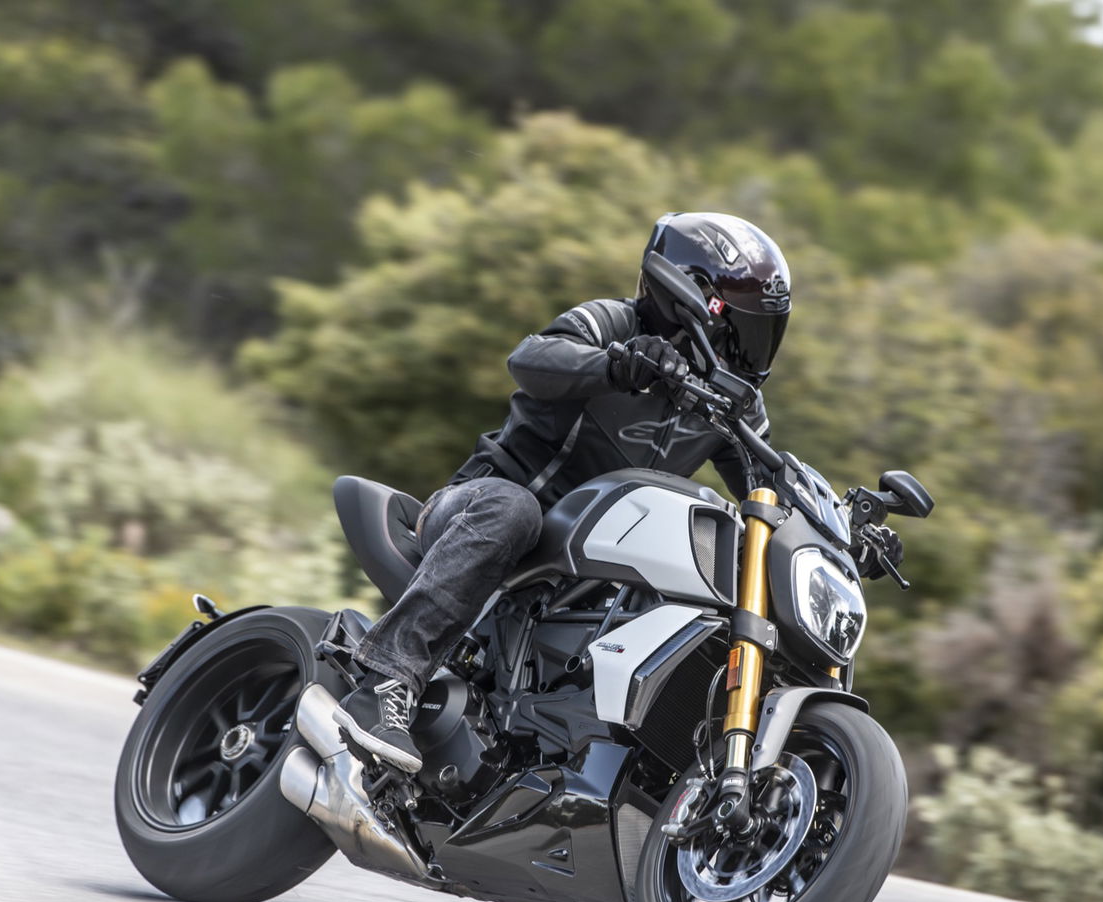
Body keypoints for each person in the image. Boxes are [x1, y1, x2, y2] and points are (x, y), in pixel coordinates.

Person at [333, 212, 798, 772]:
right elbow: (530, 359)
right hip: (479, 508)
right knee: (516, 509)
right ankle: (384, 681)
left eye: (763, 334)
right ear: (693, 303)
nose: (750, 351)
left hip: (579, 576)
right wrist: (618, 366)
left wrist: (837, 527)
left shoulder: (734, 404)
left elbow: (770, 487)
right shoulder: (615, 323)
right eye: (743, 330)